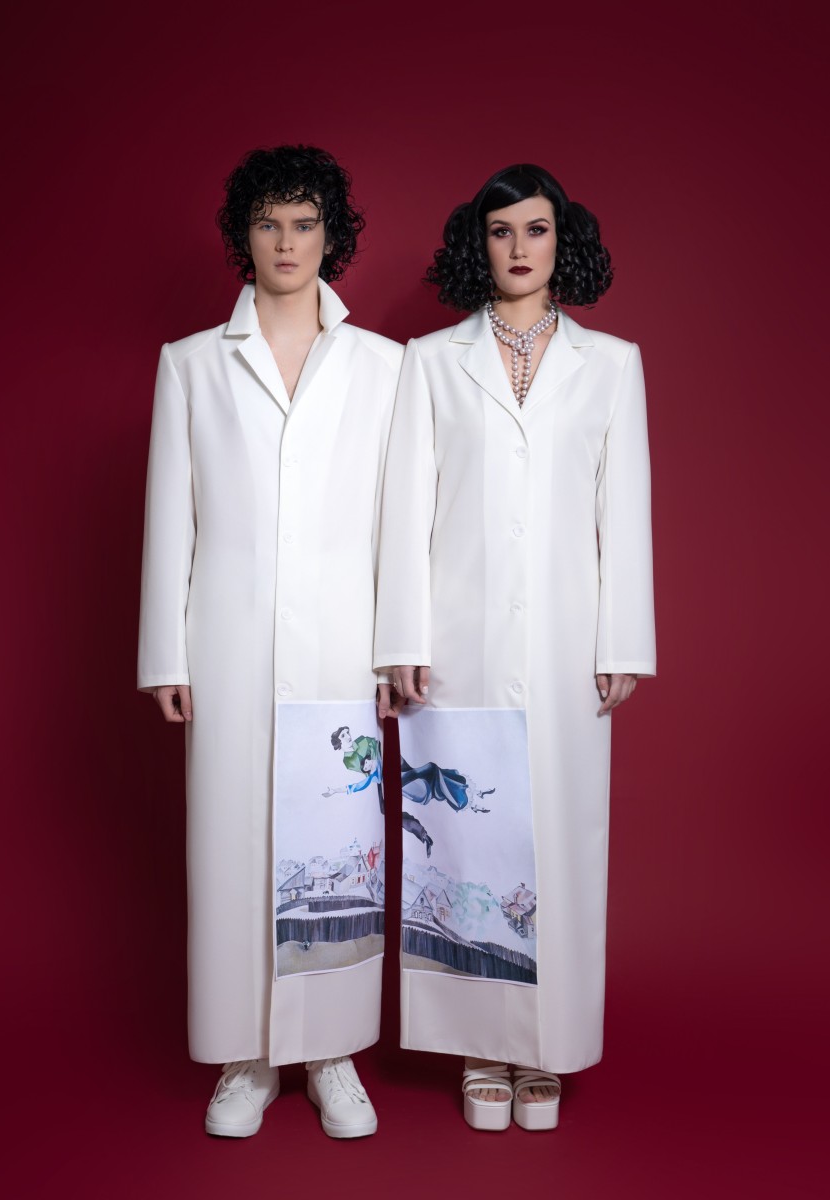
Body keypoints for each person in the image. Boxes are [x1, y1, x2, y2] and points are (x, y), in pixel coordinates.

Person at [375, 164, 655, 1131]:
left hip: (571, 639)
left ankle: (547, 1050)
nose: (520, 247)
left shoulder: (611, 364)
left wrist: (622, 639)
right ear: (479, 243)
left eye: (536, 229)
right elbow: (405, 507)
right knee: (466, 845)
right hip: (456, 641)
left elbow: (624, 512)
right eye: (501, 231)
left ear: (561, 240)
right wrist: (400, 638)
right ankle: (479, 1048)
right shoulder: (428, 360)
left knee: (562, 841)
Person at [138, 145, 402, 1139]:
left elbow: (398, 523)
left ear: (331, 236)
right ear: (242, 237)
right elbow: (172, 517)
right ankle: (245, 1058)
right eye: (267, 223)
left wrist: (395, 645)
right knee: (234, 842)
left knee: (335, 851)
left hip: (342, 646)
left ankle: (330, 1052)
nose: (286, 242)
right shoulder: (192, 363)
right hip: (228, 643)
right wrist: (164, 653)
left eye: (304, 223)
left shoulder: (383, 365)